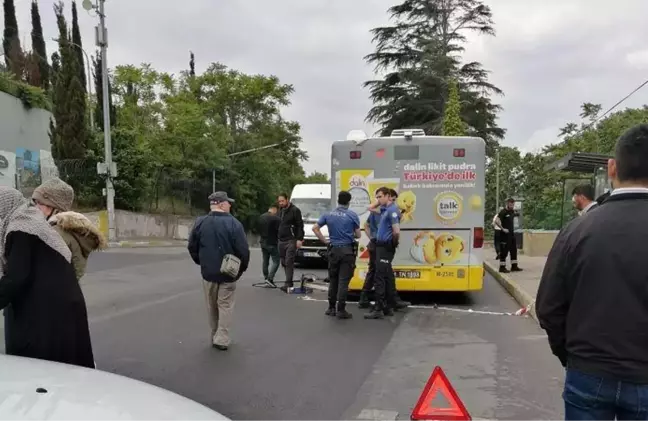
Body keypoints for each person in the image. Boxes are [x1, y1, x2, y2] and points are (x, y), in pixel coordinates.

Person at [536, 124, 648, 418]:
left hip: (588, 374)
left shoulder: (577, 230)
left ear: (612, 168)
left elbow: (548, 307)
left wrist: (572, 358)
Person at [0, 186, 95, 368]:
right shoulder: (29, 222)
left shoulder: (22, 228)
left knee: (46, 372)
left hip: (48, 312)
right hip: (52, 307)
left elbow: (16, 278)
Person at [188, 191, 250, 351]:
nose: (230, 205)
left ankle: (214, 333)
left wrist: (201, 263)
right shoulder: (235, 224)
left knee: (211, 305)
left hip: (208, 273)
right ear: (221, 204)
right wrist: (240, 270)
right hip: (228, 274)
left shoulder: (200, 222)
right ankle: (222, 338)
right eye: (228, 202)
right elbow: (243, 251)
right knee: (225, 305)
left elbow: (192, 247)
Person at [32, 178, 106, 280]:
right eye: (35, 203)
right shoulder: (68, 230)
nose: (36, 207)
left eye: (40, 203)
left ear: (55, 206)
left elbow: (43, 272)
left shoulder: (55, 233)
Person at [312, 190, 361, 319]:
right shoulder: (352, 215)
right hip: (347, 251)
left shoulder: (328, 214)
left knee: (333, 280)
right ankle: (341, 309)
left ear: (338, 200)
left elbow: (315, 228)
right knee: (343, 282)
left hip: (333, 250)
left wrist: (326, 241)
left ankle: (331, 308)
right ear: (349, 202)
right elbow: (358, 235)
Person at [365, 187, 400, 319]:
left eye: (380, 196)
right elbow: (370, 208)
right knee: (385, 276)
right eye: (377, 197)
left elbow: (396, 231)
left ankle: (378, 308)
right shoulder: (385, 210)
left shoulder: (392, 211)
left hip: (386, 247)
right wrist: (380, 201)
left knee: (379, 277)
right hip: (380, 246)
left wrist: (393, 244)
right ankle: (387, 307)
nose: (378, 200)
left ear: (388, 196)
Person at [277, 192, 304, 292]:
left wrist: (299, 239)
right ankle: (288, 280)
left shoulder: (295, 210)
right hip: (281, 240)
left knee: (289, 261)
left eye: (282, 201)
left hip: (291, 240)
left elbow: (300, 225)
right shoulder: (280, 211)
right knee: (283, 262)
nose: (281, 203)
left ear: (287, 199)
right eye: (279, 201)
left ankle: (288, 282)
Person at [493, 198, 522, 273]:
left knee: (513, 250)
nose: (512, 205)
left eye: (513, 204)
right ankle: (502, 268)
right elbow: (496, 221)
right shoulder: (503, 212)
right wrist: (503, 229)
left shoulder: (512, 211)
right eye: (510, 204)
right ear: (507, 203)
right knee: (504, 251)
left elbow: (514, 215)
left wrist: (517, 214)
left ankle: (514, 266)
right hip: (504, 235)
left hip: (511, 235)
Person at [258, 204, 281, 287]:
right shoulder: (276, 219)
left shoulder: (261, 217)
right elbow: (279, 231)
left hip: (262, 242)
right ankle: (270, 279)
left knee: (265, 261)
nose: (277, 212)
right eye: (277, 210)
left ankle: (266, 278)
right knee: (276, 261)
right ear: (274, 209)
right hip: (272, 243)